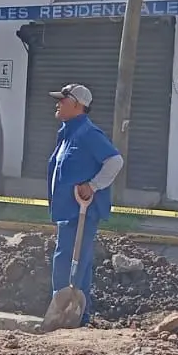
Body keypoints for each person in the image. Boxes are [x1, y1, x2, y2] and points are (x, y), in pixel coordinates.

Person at [47, 84, 124, 326]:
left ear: (77, 105)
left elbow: (115, 161)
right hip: (68, 211)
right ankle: (80, 316)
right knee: (76, 262)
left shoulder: (87, 133)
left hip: (80, 212)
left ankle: (65, 316)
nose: (58, 104)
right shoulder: (68, 132)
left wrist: (93, 185)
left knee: (69, 261)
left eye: (62, 100)